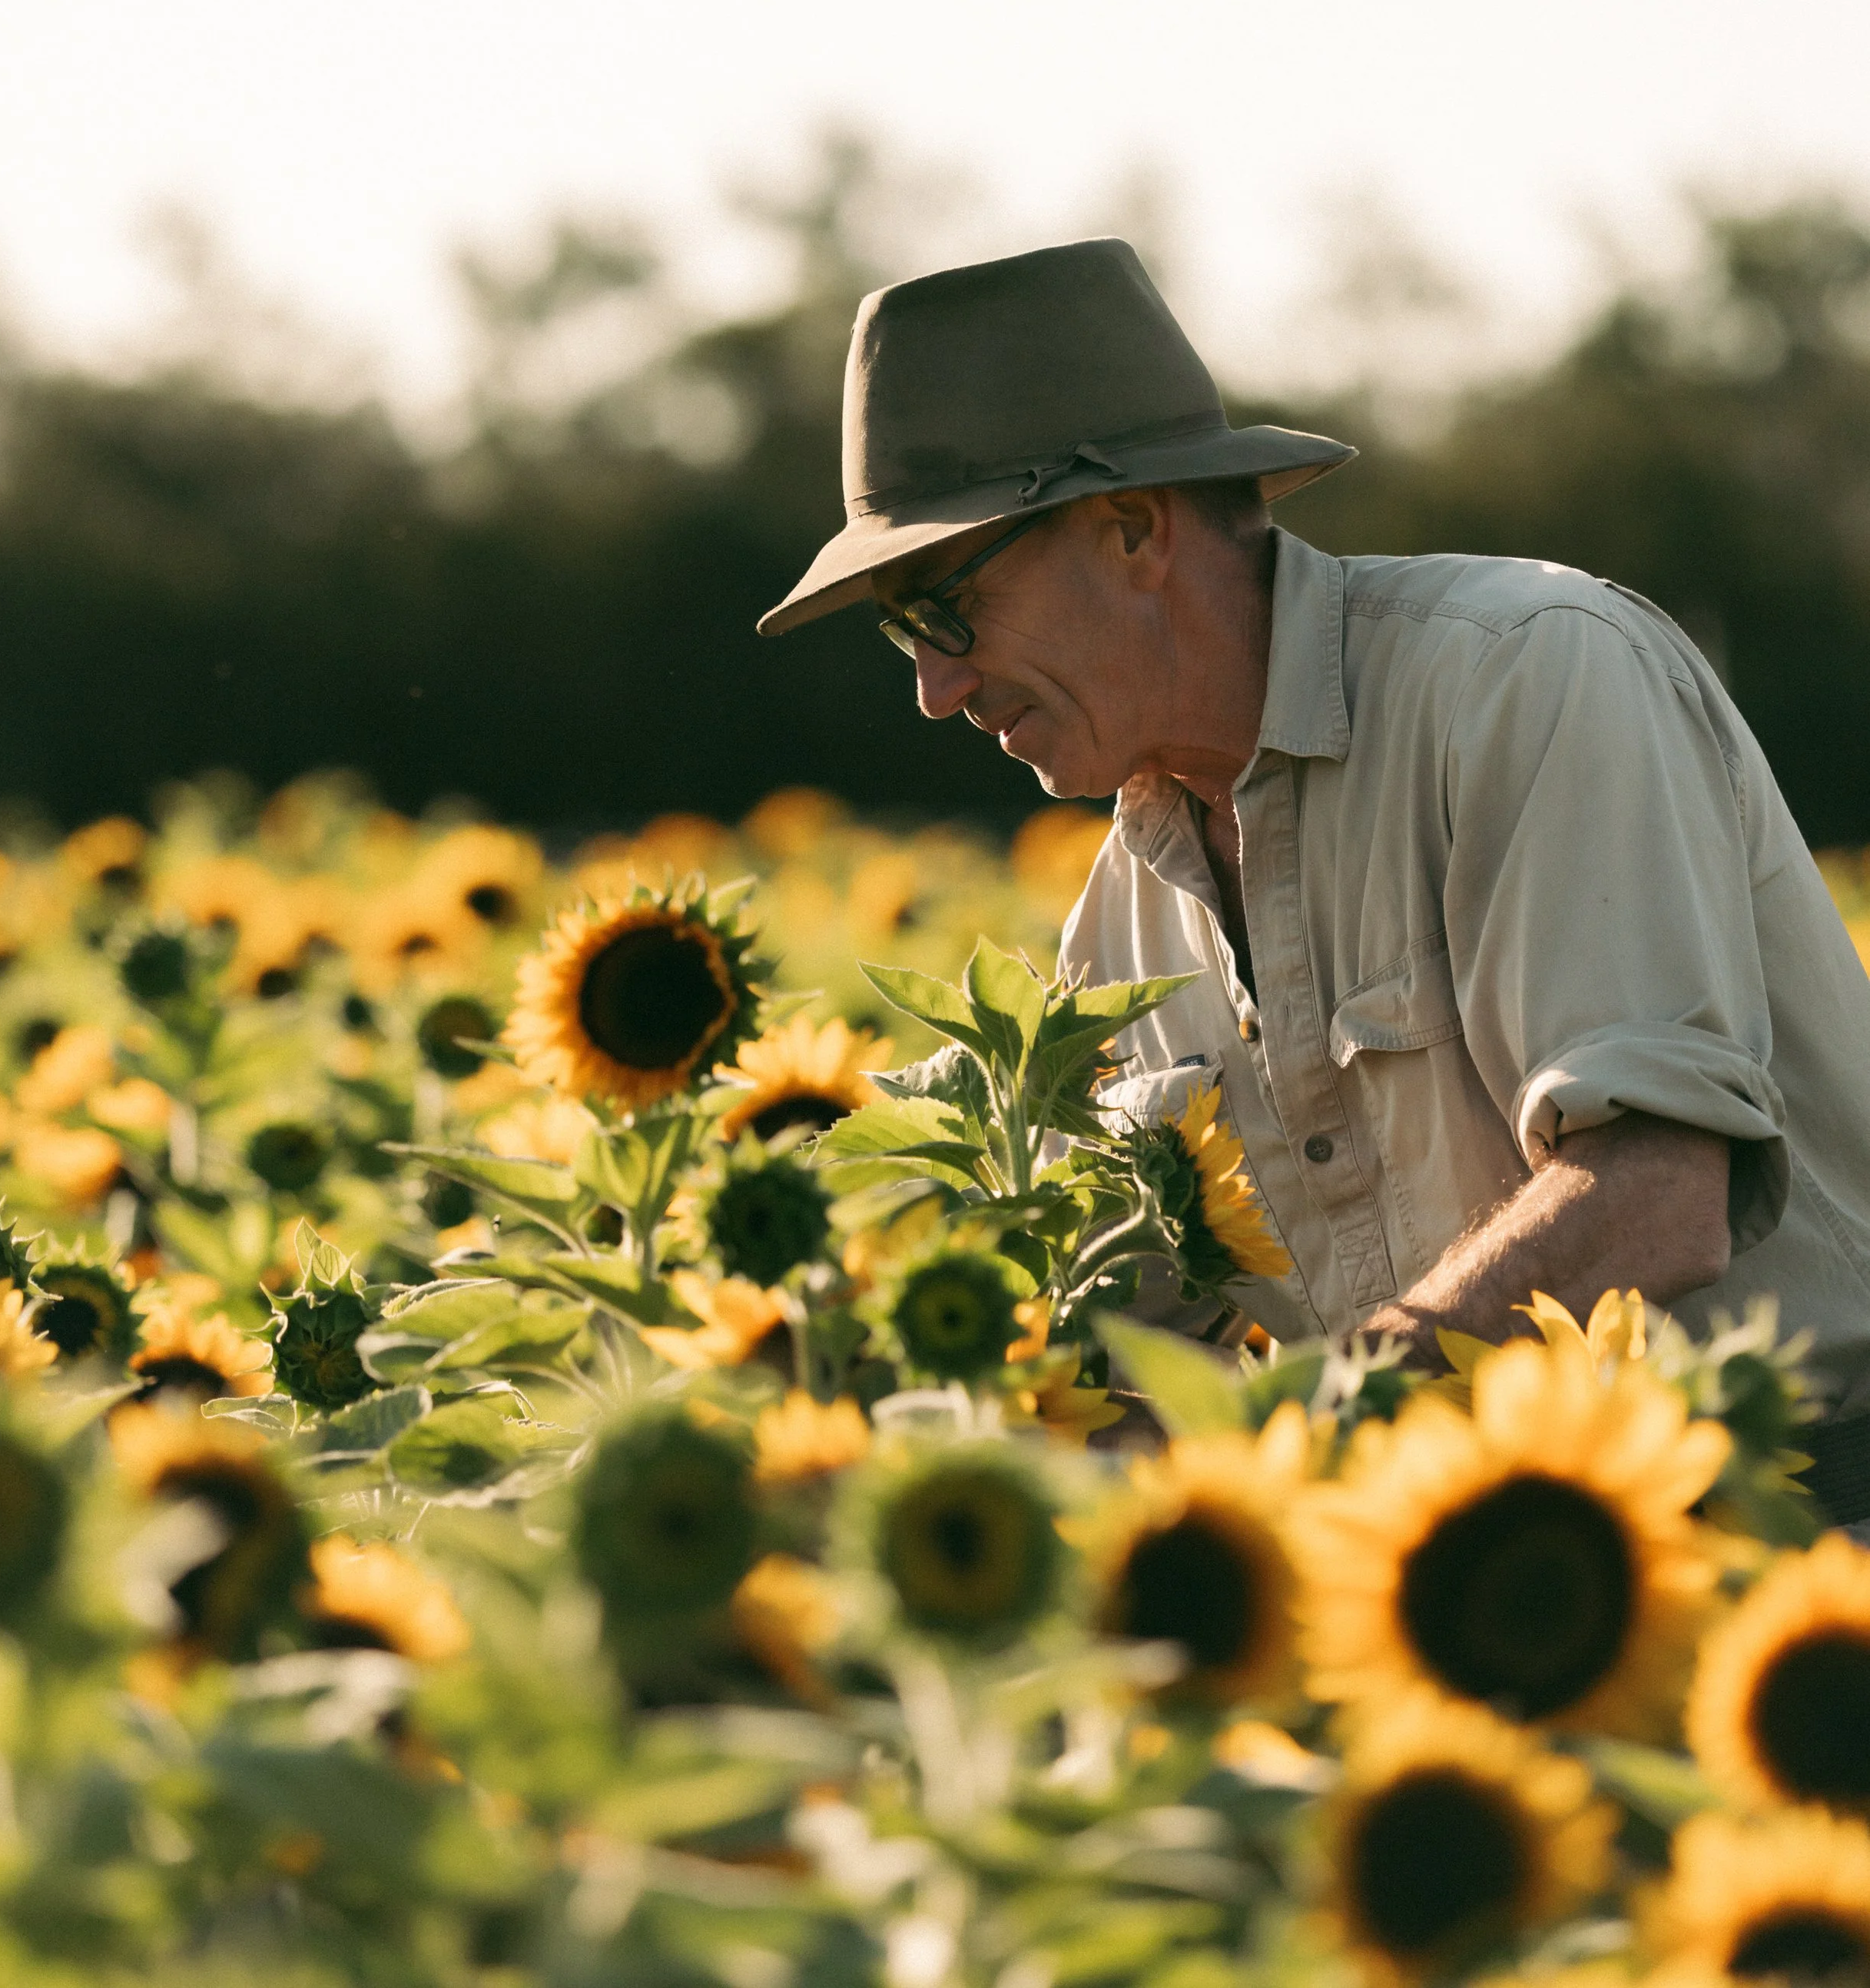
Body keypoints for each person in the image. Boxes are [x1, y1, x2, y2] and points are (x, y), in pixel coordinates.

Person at [758, 236, 1870, 1525]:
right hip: (1465, 1589)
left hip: (1810, 1553)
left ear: (1130, 529)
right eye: (904, 632)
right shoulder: (1119, 932)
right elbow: (1139, 1375)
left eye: (945, 609)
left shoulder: (1525, 679)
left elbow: (1659, 1197)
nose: (934, 690)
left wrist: (1317, 1438)